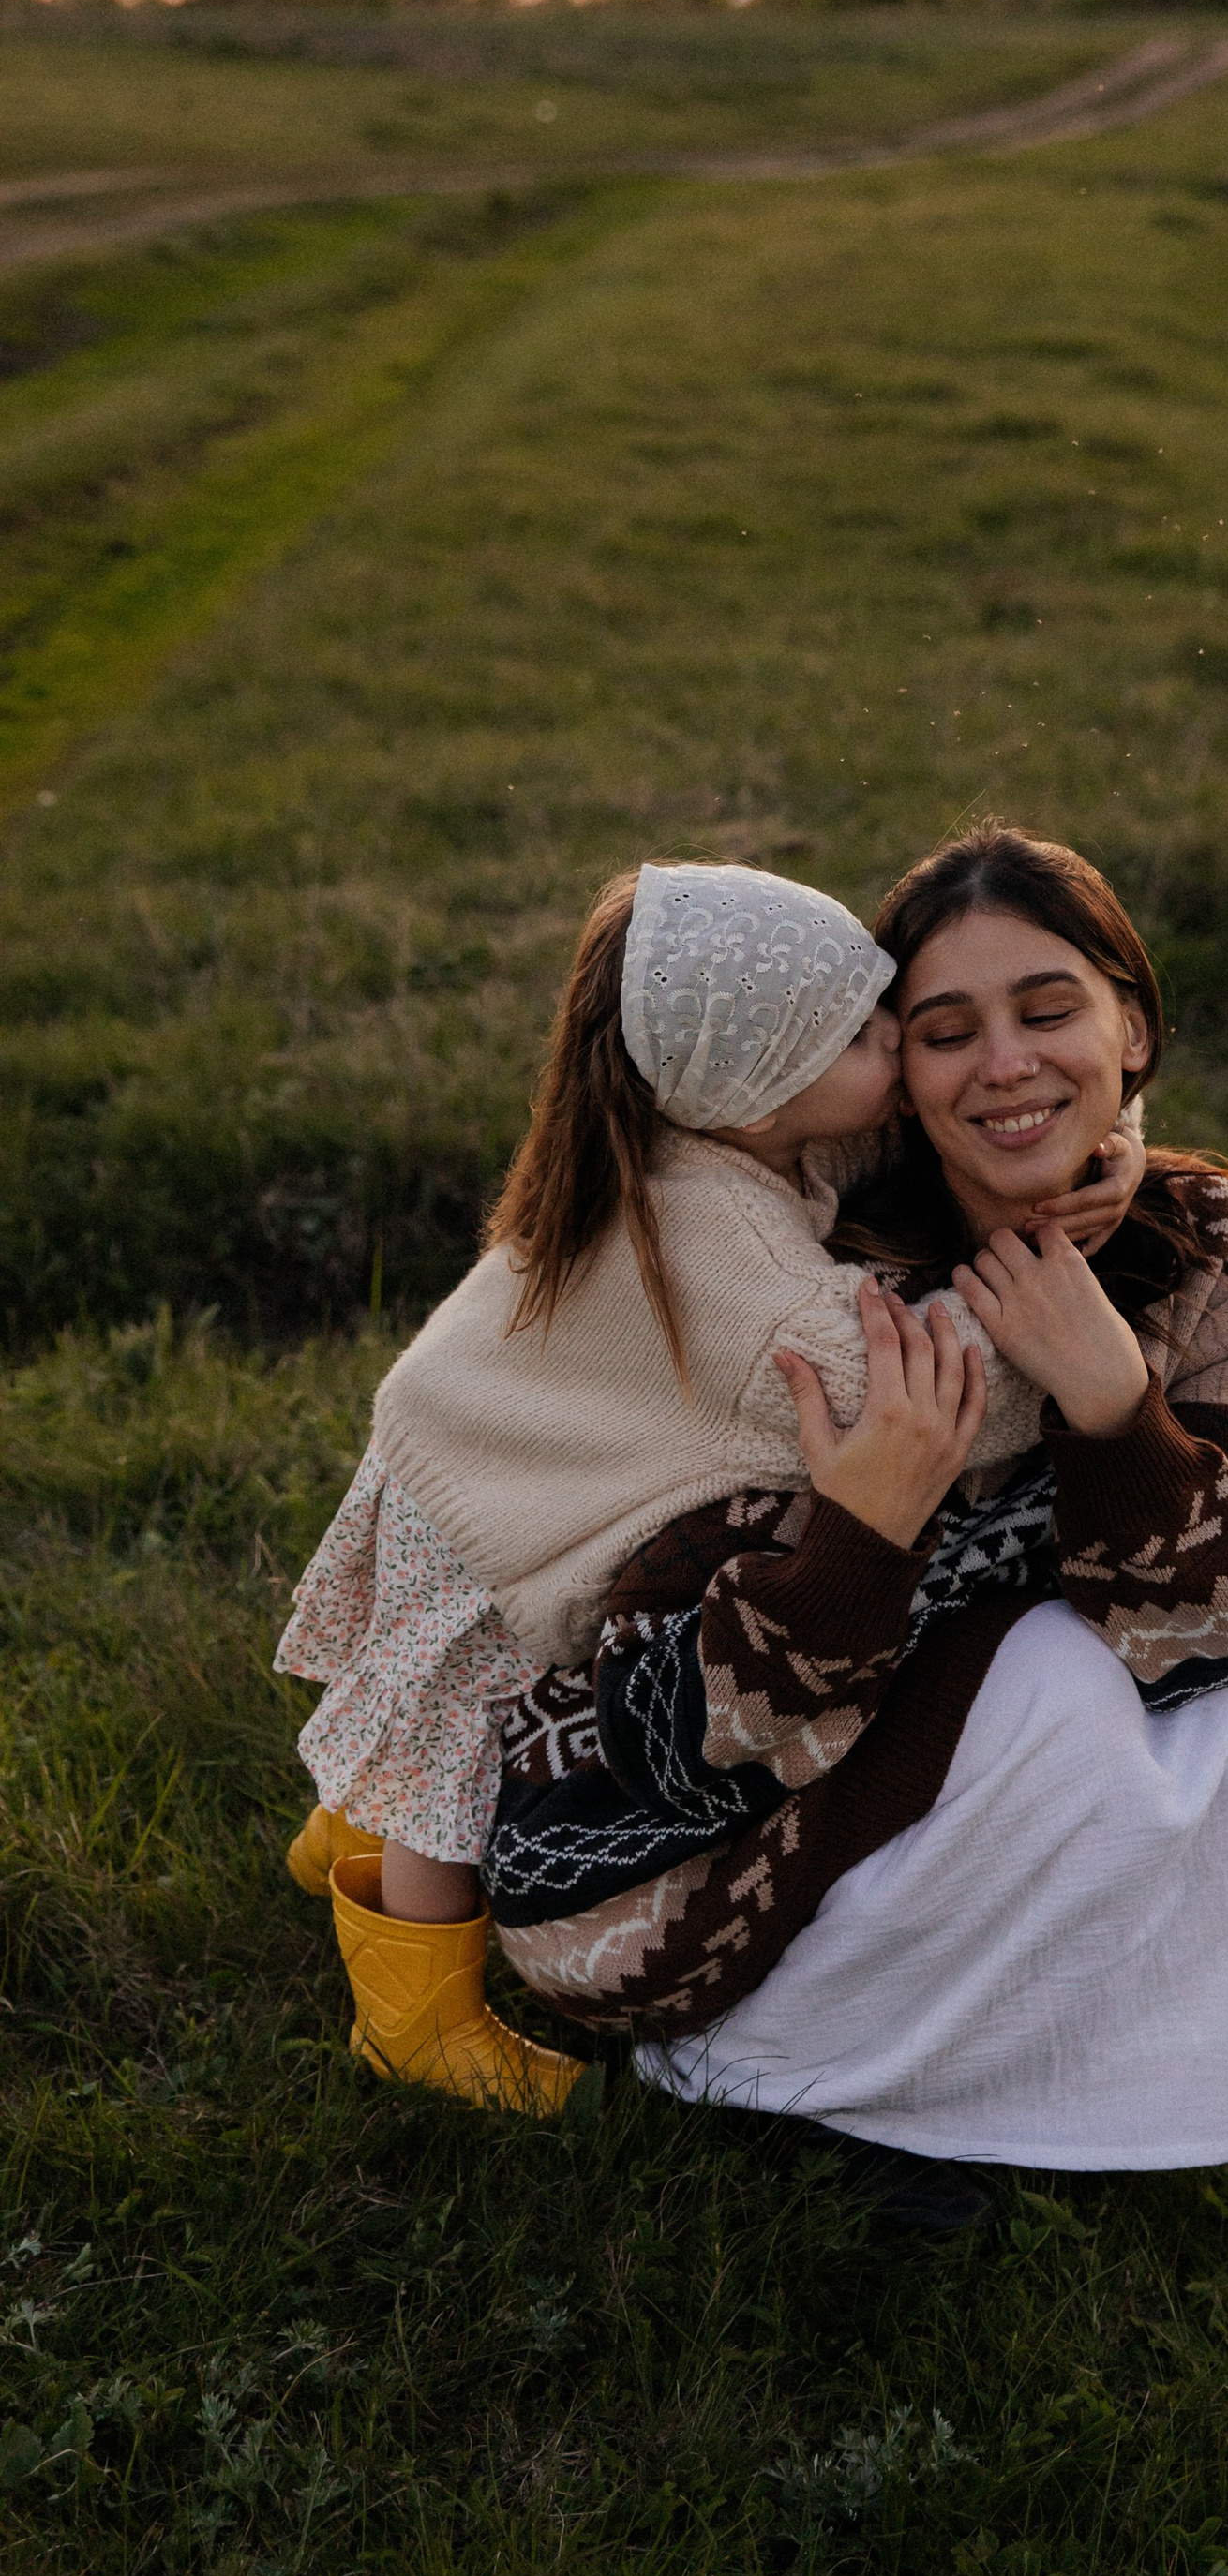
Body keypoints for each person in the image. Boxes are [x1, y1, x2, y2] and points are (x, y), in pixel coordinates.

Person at [485, 826, 1228, 2193]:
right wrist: (862, 1529)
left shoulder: (1203, 1241)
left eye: (1049, 1012)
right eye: (945, 1032)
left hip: (921, 1773)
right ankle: (784, 2080)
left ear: (1132, 1031)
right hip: (649, 1865)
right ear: (894, 1077)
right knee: (1060, 1682)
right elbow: (672, 1742)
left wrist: (1113, 1412)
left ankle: (1035, 2091)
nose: (1008, 1066)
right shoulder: (802, 1272)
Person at [275, 859, 1142, 2111]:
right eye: (860, 1032)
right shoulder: (730, 1256)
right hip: (480, 1496)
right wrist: (1052, 1304)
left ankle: (338, 1833)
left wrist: (1096, 1137)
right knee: (452, 1744)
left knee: (414, 1733)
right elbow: (900, 1394)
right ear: (765, 1084)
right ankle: (412, 2016)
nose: (897, 1047)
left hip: (466, 1436)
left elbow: (902, 1158)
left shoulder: (714, 1142)